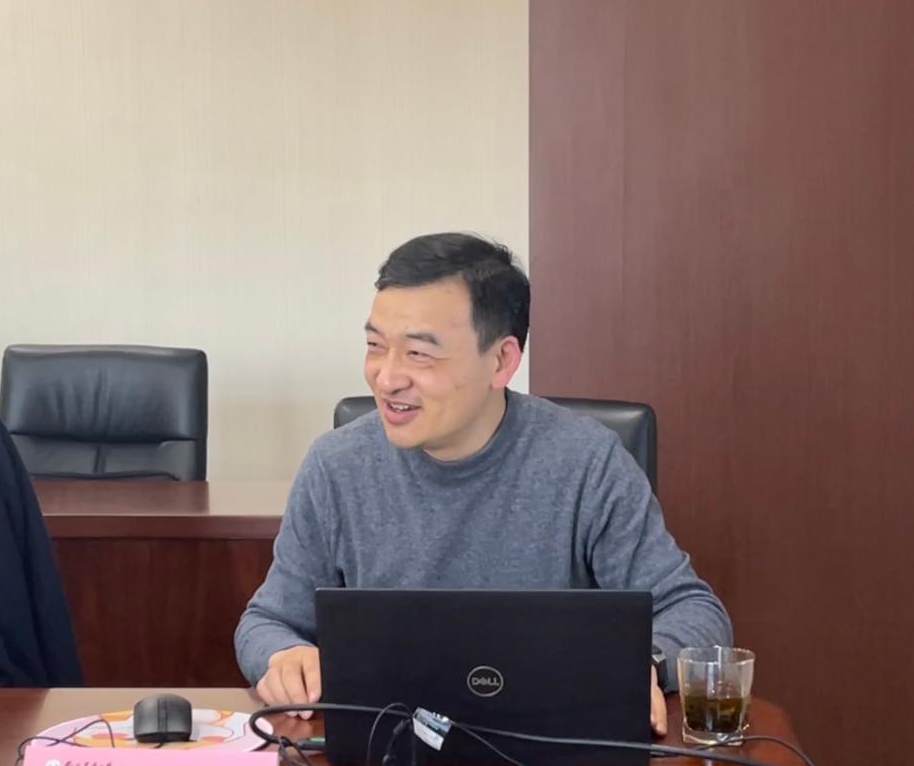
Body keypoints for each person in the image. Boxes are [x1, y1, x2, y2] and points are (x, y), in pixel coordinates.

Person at [234, 232, 732, 736]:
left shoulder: (586, 462)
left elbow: (694, 612)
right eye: (375, 347)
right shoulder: (336, 466)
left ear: (502, 361)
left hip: (545, 743)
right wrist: (284, 654)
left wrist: (642, 665)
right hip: (388, 745)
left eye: (419, 354)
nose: (386, 378)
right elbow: (267, 621)